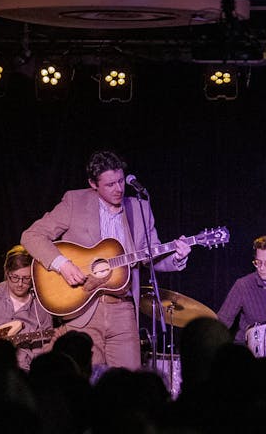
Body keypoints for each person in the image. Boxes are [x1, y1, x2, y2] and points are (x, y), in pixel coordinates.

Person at [21, 149, 189, 370]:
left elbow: (151, 255)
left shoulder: (140, 208)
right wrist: (63, 265)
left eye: (121, 181)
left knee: (128, 383)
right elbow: (31, 236)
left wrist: (176, 257)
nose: (119, 189)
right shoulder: (74, 201)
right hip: (83, 310)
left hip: (123, 309)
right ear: (93, 183)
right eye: (110, 184)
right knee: (86, 382)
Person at [216, 233, 266, 346]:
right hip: (249, 351)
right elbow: (221, 323)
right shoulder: (243, 285)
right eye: (258, 262)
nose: (262, 268)